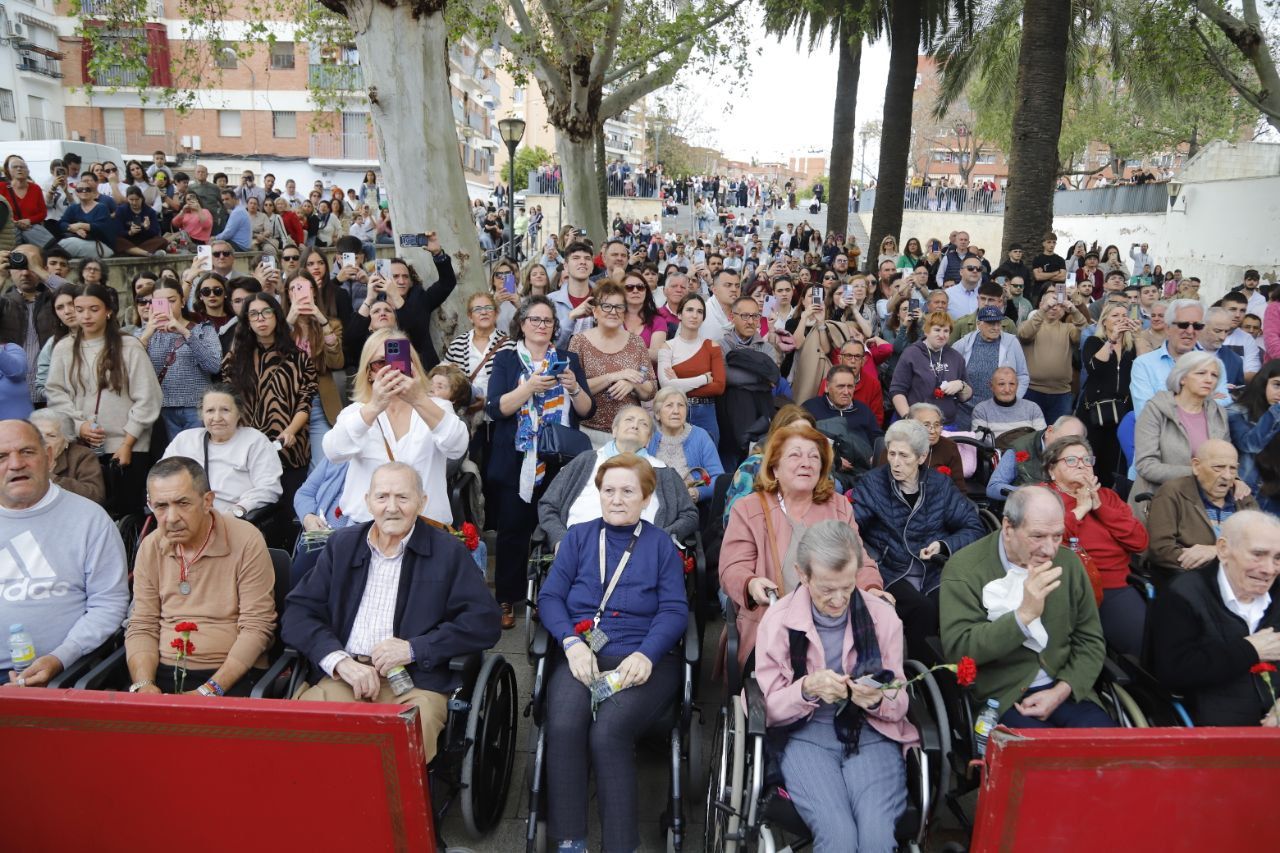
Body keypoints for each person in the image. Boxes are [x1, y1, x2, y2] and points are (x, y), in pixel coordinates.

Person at [284, 461, 501, 760]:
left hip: (416, 684)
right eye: (382, 497)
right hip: (345, 677)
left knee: (397, 757)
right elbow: (298, 612)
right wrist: (339, 661)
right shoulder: (342, 546)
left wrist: (414, 648)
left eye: (403, 497)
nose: (392, 507)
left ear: (422, 502)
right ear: (368, 501)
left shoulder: (447, 552)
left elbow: (484, 621)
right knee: (297, 737)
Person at [537, 454, 689, 853]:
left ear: (646, 498)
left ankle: (621, 845)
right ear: (598, 494)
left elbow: (675, 610)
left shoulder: (661, 546)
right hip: (583, 652)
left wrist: (647, 655)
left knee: (609, 732)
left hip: (642, 659)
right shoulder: (578, 537)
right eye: (609, 491)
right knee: (565, 725)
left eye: (628, 491)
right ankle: (571, 840)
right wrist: (570, 643)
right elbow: (550, 596)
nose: (617, 499)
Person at [756, 521, 918, 853]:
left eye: (847, 586)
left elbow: (899, 702)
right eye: (827, 589)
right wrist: (806, 690)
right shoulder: (779, 621)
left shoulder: (882, 617)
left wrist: (874, 700)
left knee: (875, 838)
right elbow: (766, 709)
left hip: (873, 734)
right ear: (803, 575)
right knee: (838, 837)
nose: (839, 599)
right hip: (805, 737)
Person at [940, 486, 1113, 728]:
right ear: (1008, 528)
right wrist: (1023, 616)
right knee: (1040, 760)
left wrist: (1062, 690)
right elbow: (959, 649)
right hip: (1003, 697)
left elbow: (1090, 639)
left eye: (1057, 536)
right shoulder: (965, 571)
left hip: (1066, 687)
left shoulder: (1069, 564)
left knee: (1111, 752)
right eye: (1038, 536)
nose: (1050, 549)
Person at [719, 421, 885, 666]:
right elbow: (732, 567)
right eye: (795, 455)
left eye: (814, 457)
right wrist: (751, 583)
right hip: (772, 630)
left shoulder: (838, 506)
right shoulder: (749, 508)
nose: (806, 463)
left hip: (834, 628)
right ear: (774, 467)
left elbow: (859, 561)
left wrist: (871, 588)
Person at [125, 456, 277, 696]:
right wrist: (144, 684)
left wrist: (208, 691)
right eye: (161, 506)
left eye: (182, 503)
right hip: (162, 669)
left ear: (207, 501)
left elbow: (257, 627)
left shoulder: (246, 539)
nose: (171, 518)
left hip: (231, 673)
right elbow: (143, 624)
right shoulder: (151, 546)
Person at [486, 296, 595, 628]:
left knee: (556, 531)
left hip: (560, 460)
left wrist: (574, 388)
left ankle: (549, 596)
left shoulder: (568, 359)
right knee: (513, 531)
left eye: (547, 321)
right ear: (522, 323)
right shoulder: (506, 359)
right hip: (517, 460)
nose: (541, 326)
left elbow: (587, 410)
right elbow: (495, 408)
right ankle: (507, 599)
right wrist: (530, 387)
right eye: (534, 320)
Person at [0, 419, 127, 685]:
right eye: (2, 456)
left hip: (65, 671)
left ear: (48, 456)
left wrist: (61, 658)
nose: (15, 464)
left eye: (27, 452)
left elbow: (108, 604)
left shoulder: (89, 519)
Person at [852, 419, 984, 658]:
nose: (895, 462)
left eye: (904, 455)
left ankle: (956, 678)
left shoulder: (939, 485)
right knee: (922, 610)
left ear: (922, 457)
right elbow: (850, 528)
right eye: (892, 453)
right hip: (892, 569)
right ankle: (920, 679)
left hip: (933, 570)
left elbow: (974, 527)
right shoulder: (873, 483)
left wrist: (943, 545)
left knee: (954, 606)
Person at [323, 328, 467, 528]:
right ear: (369, 373)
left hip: (425, 530)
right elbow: (333, 451)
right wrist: (374, 407)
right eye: (380, 363)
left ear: (413, 367)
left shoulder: (437, 407)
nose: (390, 370)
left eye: (398, 361)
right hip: (367, 529)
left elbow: (457, 446)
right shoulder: (356, 412)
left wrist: (418, 399)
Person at [1149, 511, 1280, 727]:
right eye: (1258, 554)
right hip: (1216, 721)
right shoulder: (1182, 595)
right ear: (1223, 549)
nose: (1269, 569)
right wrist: (1249, 651)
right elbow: (1173, 671)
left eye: (1277, 558)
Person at [45, 284, 162, 519]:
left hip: (126, 445)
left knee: (126, 513)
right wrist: (79, 425)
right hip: (81, 445)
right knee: (84, 513)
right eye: (79, 309)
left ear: (108, 311)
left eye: (93, 309)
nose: (85, 316)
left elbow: (148, 397)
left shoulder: (128, 346)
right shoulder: (64, 348)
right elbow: (55, 393)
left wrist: (128, 442)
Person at [1040, 436, 1149, 657]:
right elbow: (1047, 544)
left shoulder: (1107, 497)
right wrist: (1080, 509)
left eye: (1086, 459)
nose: (1081, 464)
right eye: (1071, 460)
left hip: (1114, 585)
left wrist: (1099, 507)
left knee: (1147, 644)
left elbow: (1139, 541)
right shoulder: (1042, 497)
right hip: (1068, 587)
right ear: (1052, 469)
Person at [538, 404, 698, 548]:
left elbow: (689, 515)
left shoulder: (663, 471)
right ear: (614, 430)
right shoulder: (586, 460)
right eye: (629, 420)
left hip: (642, 555)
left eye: (643, 424)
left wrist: (660, 538)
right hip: (579, 549)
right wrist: (560, 540)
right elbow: (548, 505)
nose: (635, 425)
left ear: (648, 440)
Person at [221, 292, 317, 532]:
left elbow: (305, 402)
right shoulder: (235, 359)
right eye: (253, 314)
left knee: (290, 513)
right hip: (248, 448)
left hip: (289, 445)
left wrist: (291, 431)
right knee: (256, 515)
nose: (260, 319)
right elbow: (230, 401)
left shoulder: (299, 358)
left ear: (276, 315)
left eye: (266, 312)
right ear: (247, 322)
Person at [1131, 351, 1231, 514]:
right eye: (1201, 373)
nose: (1209, 379)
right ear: (1182, 378)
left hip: (1206, 503)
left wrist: (1236, 479)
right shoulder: (1155, 409)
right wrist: (1199, 473)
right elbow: (1146, 465)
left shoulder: (1218, 413)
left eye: (1214, 375)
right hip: (1160, 501)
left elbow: (1226, 459)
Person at [163, 384, 283, 518]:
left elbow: (269, 488)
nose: (217, 418)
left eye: (225, 410)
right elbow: (161, 477)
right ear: (201, 414)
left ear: (239, 413)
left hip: (232, 520)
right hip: (185, 518)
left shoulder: (255, 441)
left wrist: (239, 510)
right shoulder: (185, 440)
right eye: (210, 411)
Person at [1146, 439, 1259, 579]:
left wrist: (1216, 551)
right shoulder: (1172, 493)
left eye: (1233, 468)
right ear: (1196, 466)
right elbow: (1160, 550)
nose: (1227, 476)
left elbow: (1261, 545)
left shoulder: (1243, 498)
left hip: (1242, 579)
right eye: (1218, 467)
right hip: (1191, 580)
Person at [568, 282, 655, 448]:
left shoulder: (636, 342)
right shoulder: (579, 342)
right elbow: (574, 387)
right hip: (588, 433)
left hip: (629, 434)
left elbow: (651, 390)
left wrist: (633, 384)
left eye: (619, 307)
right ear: (594, 311)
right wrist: (613, 376)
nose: (613, 312)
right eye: (607, 306)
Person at [137, 279, 222, 442]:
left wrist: (185, 332)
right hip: (159, 410)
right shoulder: (143, 334)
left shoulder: (203, 330)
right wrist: (147, 334)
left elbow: (214, 366)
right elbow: (130, 369)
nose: (167, 307)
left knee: (196, 458)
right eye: (160, 302)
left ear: (182, 301)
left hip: (196, 408)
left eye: (172, 300)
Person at [1130, 299, 1229, 417]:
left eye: (1197, 326)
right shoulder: (1144, 364)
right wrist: (1202, 401)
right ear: (1167, 328)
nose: (1190, 331)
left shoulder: (1214, 365)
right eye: (1183, 325)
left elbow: (1223, 405)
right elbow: (1146, 414)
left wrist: (1167, 404)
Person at [1077, 302, 1138, 488]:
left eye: (1124, 315)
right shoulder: (1094, 342)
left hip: (1122, 411)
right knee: (1092, 457)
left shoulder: (1131, 345)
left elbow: (1144, 364)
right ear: (1104, 321)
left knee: (1114, 462)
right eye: (1115, 315)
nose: (1121, 318)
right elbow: (1094, 368)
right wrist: (1111, 340)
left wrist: (1139, 336)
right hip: (1095, 411)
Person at [656, 293, 726, 445]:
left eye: (699, 311)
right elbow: (665, 386)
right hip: (675, 410)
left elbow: (719, 386)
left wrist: (678, 384)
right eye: (689, 310)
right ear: (680, 314)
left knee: (705, 463)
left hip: (705, 411)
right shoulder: (667, 346)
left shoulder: (712, 346)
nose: (694, 315)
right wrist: (704, 379)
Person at [802, 365, 882, 484]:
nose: (846, 392)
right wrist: (833, 459)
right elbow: (801, 440)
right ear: (827, 387)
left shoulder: (864, 410)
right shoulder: (811, 408)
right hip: (826, 470)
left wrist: (876, 456)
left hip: (863, 472)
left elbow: (878, 439)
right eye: (840, 386)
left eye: (850, 386)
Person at [889, 310, 972, 425]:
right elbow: (897, 391)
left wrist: (961, 385)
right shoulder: (911, 354)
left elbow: (966, 396)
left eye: (946, 331)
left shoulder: (956, 357)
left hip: (946, 424)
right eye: (937, 330)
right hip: (916, 423)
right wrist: (909, 419)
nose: (942, 335)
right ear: (926, 331)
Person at [1018, 287, 1088, 422]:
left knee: (1058, 438)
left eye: (1059, 305)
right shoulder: (1030, 325)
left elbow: (1084, 330)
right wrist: (1043, 309)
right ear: (1040, 305)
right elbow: (1024, 334)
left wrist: (1074, 310)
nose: (1054, 307)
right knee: (1031, 434)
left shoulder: (1068, 328)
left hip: (1061, 393)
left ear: (1063, 309)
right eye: (1050, 303)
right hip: (1032, 390)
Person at [646, 387, 724, 505]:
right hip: (655, 505)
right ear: (657, 414)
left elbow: (719, 478)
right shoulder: (649, 438)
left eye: (681, 405)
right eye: (669, 405)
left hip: (690, 506)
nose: (676, 411)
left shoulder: (700, 436)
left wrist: (697, 492)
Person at [1228, 361, 1280, 514]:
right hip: (1250, 496)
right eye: (1277, 385)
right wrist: (1276, 411)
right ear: (1262, 383)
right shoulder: (1237, 412)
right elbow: (1250, 444)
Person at [29, 408, 105, 505]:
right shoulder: (22, 456)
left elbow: (95, 496)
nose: (43, 441)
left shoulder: (82, 456)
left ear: (66, 440)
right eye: (38, 435)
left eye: (51, 436)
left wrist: (51, 478)